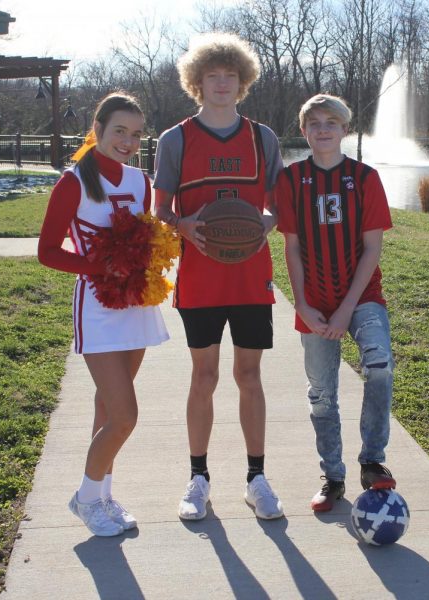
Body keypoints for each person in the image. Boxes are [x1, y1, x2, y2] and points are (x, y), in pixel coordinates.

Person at [153, 32, 284, 521]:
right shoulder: (176, 139)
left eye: (230, 75)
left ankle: (257, 479)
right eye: (213, 76)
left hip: (251, 277)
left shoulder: (262, 137)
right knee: (203, 376)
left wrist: (268, 219)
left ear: (242, 80)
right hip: (201, 279)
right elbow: (160, 208)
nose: (222, 83)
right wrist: (182, 224)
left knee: (249, 376)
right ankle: (198, 478)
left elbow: (278, 201)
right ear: (197, 82)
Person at [38, 92, 169, 536]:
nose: (128, 142)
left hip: (135, 303)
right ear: (97, 128)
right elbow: (47, 252)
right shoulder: (74, 181)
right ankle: (86, 497)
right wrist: (103, 264)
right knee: (125, 415)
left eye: (135, 134)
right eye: (119, 131)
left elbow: (146, 235)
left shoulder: (141, 180)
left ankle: (104, 495)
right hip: (97, 304)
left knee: (107, 407)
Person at [275, 94, 397, 512]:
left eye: (332, 122)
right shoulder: (291, 180)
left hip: (362, 297)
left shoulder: (364, 178)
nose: (323, 129)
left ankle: (372, 461)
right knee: (322, 394)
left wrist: (347, 308)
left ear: (346, 129)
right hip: (314, 302)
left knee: (379, 364)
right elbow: (291, 249)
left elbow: (371, 249)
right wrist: (303, 306)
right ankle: (333, 476)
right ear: (304, 130)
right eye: (314, 123)